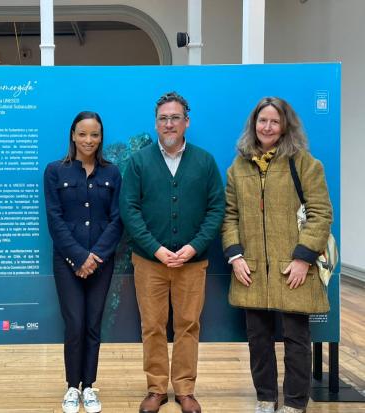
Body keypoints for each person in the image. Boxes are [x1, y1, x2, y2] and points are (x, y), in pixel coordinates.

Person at [222, 97, 332, 413]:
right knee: (258, 339)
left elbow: (321, 213)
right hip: (251, 269)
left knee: (297, 340)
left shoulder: (305, 164)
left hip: (293, 268)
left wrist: (302, 258)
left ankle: (295, 404)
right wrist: (235, 256)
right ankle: (265, 398)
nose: (267, 127)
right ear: (253, 125)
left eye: (274, 121)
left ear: (285, 126)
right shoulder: (237, 167)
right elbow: (230, 216)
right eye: (262, 121)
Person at [120, 91, 225, 413]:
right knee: (151, 326)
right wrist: (156, 248)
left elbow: (217, 208)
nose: (169, 124)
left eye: (175, 117)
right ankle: (155, 388)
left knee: (188, 325)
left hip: (192, 263)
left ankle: (184, 390)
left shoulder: (205, 161)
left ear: (186, 122)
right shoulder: (139, 162)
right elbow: (129, 209)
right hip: (149, 261)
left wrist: (193, 247)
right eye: (163, 118)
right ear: (156, 123)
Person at [44, 111, 123, 413]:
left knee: (92, 324)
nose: (88, 140)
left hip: (101, 263)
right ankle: (70, 387)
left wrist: (95, 257)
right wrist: (79, 257)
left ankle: (88, 386)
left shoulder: (112, 173)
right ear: (73, 136)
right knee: (74, 323)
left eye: (94, 135)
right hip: (67, 263)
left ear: (101, 137)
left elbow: (117, 220)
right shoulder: (55, 171)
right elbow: (55, 220)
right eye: (83, 134)